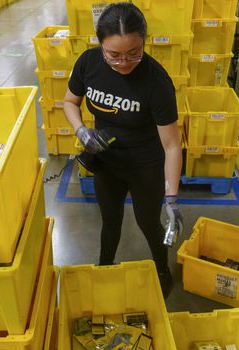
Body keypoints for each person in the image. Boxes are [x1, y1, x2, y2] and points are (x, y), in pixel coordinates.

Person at [63, 2, 183, 296]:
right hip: (108, 161)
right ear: (100, 43)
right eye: (114, 55)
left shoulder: (156, 81)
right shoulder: (88, 64)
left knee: (148, 222)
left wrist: (172, 197)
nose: (124, 63)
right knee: (110, 218)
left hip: (146, 164)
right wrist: (82, 131)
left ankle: (161, 268)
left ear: (144, 41)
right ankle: (105, 266)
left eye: (133, 53)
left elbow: (171, 145)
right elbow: (69, 102)